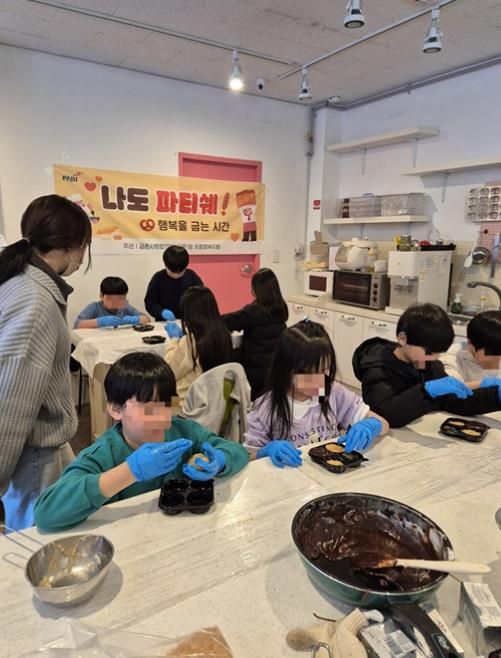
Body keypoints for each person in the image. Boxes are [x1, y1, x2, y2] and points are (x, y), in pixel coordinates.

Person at [34, 352, 249, 531]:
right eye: (148, 409)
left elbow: (236, 451)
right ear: (116, 409)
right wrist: (131, 471)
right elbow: (46, 513)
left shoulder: (183, 430)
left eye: (167, 404)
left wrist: (221, 460)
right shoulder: (104, 453)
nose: (163, 417)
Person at [0, 194, 92, 531]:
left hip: (43, 444)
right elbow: (11, 403)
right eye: (83, 247)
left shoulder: (20, 282)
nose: (82, 258)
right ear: (70, 247)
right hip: (32, 455)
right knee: (36, 539)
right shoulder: (35, 300)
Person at [244, 320, 389, 468]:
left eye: (324, 370)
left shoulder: (331, 392)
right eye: (308, 373)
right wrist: (264, 452)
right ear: (285, 369)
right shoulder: (266, 406)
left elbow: (384, 425)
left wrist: (372, 425)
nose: (317, 380)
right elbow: (248, 456)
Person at [352, 303, 501, 428]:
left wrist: (494, 397)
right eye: (429, 352)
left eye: (438, 353)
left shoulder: (429, 365)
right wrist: (426, 391)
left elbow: (454, 401)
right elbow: (386, 415)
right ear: (403, 339)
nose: (434, 358)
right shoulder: (377, 369)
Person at [222, 268, 288, 400]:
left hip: (254, 371)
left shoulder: (254, 311)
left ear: (257, 289)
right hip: (274, 368)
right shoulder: (281, 308)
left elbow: (228, 321)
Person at [164, 286, 233, 405]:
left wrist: (174, 341)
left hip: (184, 406)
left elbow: (168, 372)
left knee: (140, 412)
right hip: (214, 403)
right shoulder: (224, 334)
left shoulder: (190, 341)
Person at [442, 310, 501, 385]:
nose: (498, 358)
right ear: (470, 343)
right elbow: (451, 387)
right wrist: (483, 384)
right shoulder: (452, 357)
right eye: (492, 353)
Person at [144, 245, 203, 321]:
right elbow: (150, 303)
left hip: (188, 321)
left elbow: (202, 300)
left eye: (180, 272)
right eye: (172, 272)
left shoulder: (192, 277)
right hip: (165, 322)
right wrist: (161, 312)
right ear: (165, 265)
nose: (176, 275)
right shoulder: (158, 278)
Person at [74, 276, 150, 328]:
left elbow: (147, 319)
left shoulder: (125, 307)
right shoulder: (94, 307)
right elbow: (77, 325)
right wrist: (100, 322)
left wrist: (135, 319)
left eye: (120, 299)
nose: (115, 303)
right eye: (111, 299)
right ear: (101, 296)